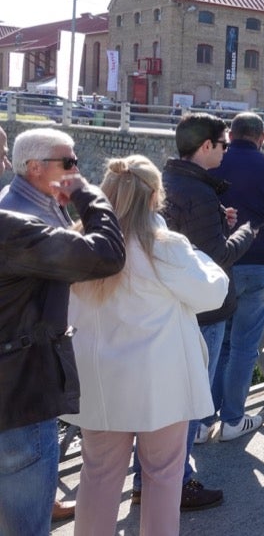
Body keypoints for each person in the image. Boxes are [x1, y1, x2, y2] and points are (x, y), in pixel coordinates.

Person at [67, 156, 228, 536]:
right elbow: (212, 293)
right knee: (163, 476)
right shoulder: (165, 246)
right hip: (160, 380)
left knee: (98, 476)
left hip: (98, 380)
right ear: (155, 196)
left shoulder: (80, 241)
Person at [0, 125, 126, 536]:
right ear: (35, 168)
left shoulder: (17, 205)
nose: (77, 169)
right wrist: (89, 194)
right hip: (20, 394)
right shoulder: (17, 222)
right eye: (68, 163)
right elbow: (107, 255)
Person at [133, 112, 258, 510]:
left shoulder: (170, 182)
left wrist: (219, 221)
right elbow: (216, 258)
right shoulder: (200, 192)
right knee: (188, 402)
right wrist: (245, 233)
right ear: (206, 146)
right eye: (222, 144)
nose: (225, 150)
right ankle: (178, 483)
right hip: (202, 312)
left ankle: (145, 479)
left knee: (161, 403)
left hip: (166, 308)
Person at [207, 112, 264, 442]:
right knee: (244, 345)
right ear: (262, 138)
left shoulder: (214, 163)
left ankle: (203, 421)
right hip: (261, 264)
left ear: (230, 136)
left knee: (217, 343)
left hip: (219, 264)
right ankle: (232, 419)